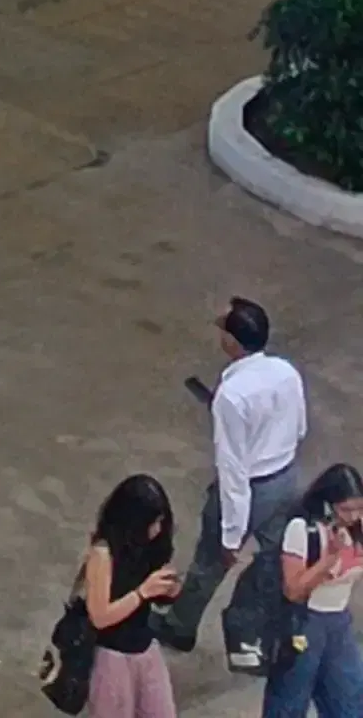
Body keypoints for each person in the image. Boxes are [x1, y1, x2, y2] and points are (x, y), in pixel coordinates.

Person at [164, 299, 313, 665]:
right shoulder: (285, 371)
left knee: (210, 561)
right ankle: (264, 627)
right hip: (286, 476)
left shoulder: (231, 396)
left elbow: (232, 471)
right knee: (273, 558)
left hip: (254, 486)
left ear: (232, 342)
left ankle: (180, 626)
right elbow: (300, 427)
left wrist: (232, 535)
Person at [78, 473, 187, 718]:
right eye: (152, 522)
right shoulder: (103, 554)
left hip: (145, 647)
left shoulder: (150, 546)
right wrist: (142, 593)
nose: (158, 529)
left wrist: (169, 590)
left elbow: (158, 596)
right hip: (111, 656)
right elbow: (100, 616)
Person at [268, 463, 363, 718]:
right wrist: (328, 560)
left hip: (339, 623)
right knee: (290, 701)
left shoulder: (358, 530)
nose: (353, 516)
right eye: (346, 510)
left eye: (359, 508)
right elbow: (293, 590)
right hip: (304, 622)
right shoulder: (303, 530)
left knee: (349, 700)